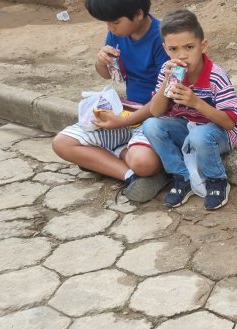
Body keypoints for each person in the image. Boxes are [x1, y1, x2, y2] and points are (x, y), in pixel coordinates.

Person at [52, 0, 168, 203]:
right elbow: (107, 74)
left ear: (138, 14)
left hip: (156, 117)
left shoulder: (164, 39)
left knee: (144, 163)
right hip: (127, 110)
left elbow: (163, 101)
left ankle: (112, 156)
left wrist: (123, 121)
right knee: (62, 143)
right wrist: (101, 60)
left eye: (114, 22)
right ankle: (129, 175)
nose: (110, 28)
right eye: (106, 23)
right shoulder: (118, 32)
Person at [141, 9, 237, 210]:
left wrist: (196, 102)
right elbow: (155, 111)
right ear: (165, 49)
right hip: (188, 131)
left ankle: (216, 180)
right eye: (173, 49)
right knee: (151, 125)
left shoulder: (215, 76)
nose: (182, 55)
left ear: (203, 46)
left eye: (189, 47)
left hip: (219, 134)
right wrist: (167, 82)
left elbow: (230, 122)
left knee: (200, 135)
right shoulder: (168, 71)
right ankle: (182, 176)